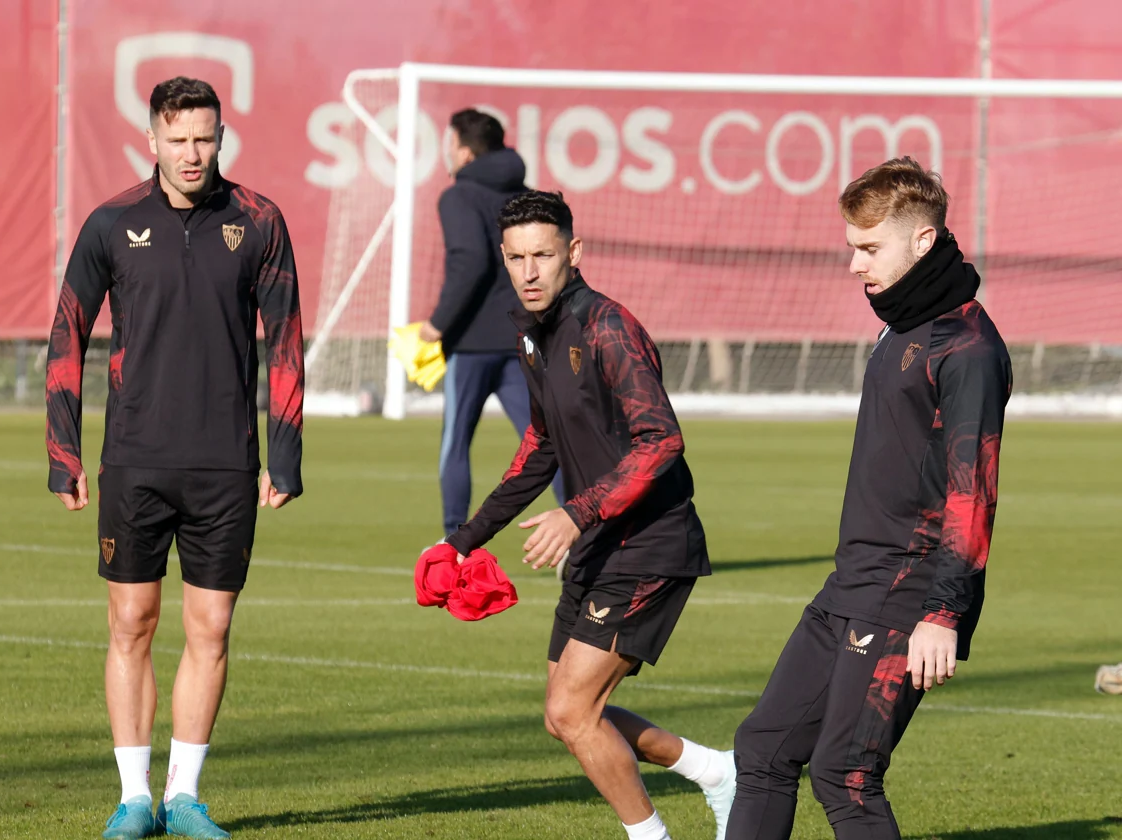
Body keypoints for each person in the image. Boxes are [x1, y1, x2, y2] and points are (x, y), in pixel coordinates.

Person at [45, 76, 303, 840]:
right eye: (180, 139)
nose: (194, 154)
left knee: (211, 629)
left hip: (226, 460)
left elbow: (285, 340)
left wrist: (283, 454)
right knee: (131, 621)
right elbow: (67, 339)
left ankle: (185, 797)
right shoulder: (110, 222)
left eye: (206, 138)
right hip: (135, 459)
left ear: (221, 137)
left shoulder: (258, 221)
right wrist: (65, 452)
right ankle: (133, 798)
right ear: (151, 140)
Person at [724, 157, 1012, 840]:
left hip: (907, 593)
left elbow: (973, 494)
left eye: (869, 247)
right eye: (853, 245)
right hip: (851, 581)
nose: (855, 264)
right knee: (763, 748)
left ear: (923, 240)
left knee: (845, 776)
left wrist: (942, 613)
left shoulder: (966, 348)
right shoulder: (900, 324)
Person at [445, 190, 736, 840]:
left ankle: (650, 836)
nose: (529, 271)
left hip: (650, 543)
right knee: (565, 715)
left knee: (572, 710)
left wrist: (575, 515)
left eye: (543, 255)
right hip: (602, 543)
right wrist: (464, 540)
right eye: (517, 257)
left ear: (573, 253)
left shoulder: (608, 328)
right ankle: (717, 773)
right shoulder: (529, 331)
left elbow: (660, 440)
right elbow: (541, 444)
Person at [418, 108, 562, 538]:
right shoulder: (528, 197)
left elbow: (470, 262)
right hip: (526, 336)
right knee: (549, 442)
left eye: (449, 144)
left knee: (456, 442)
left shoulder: (459, 196)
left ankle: (453, 539)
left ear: (463, 151)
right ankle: (586, 534)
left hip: (474, 341)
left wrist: (438, 324)